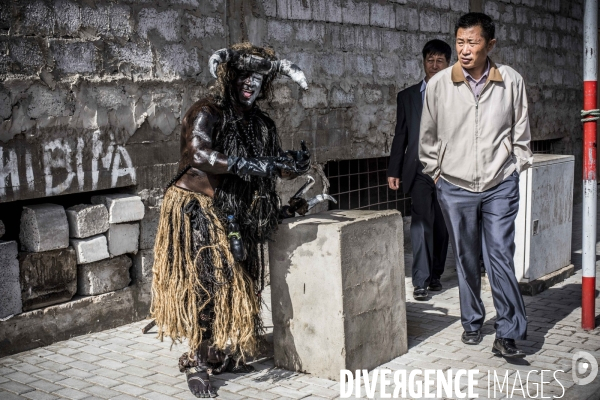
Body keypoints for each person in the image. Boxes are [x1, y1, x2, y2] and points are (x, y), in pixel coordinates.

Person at [151, 42, 311, 397]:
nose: (251, 84)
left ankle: (218, 349)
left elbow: (270, 166)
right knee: (206, 281)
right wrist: (247, 164)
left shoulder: (260, 123)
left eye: (258, 78)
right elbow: (198, 153)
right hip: (198, 207)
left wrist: (291, 166)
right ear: (230, 76)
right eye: (244, 76)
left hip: (240, 210)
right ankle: (196, 357)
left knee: (243, 279)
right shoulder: (207, 111)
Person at [419, 13, 533, 358]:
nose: (465, 50)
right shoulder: (440, 84)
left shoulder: (510, 81)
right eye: (460, 42)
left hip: (500, 183)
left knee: (499, 254)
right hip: (454, 185)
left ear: (490, 45)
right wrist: (436, 173)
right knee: (466, 257)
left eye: (473, 42)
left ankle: (508, 332)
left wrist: (516, 166)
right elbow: (428, 136)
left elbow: (521, 132)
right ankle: (472, 320)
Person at [388, 39, 451, 301]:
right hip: (420, 170)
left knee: (442, 227)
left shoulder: (458, 94)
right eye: (430, 60)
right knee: (421, 224)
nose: (434, 65)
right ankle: (421, 281)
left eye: (440, 61)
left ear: (449, 64)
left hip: (450, 171)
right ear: (423, 62)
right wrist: (394, 170)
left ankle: (436, 274)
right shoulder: (408, 96)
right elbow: (400, 135)